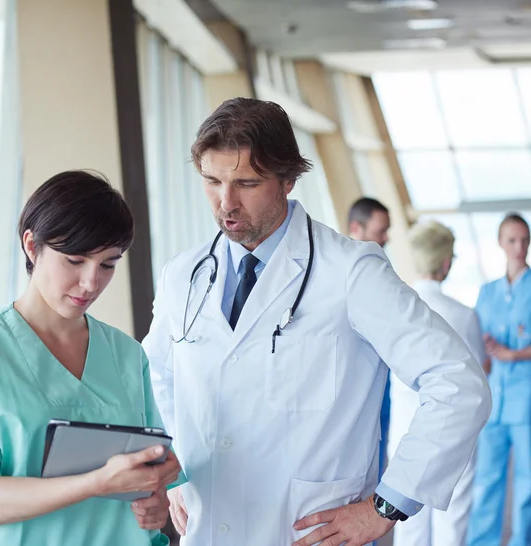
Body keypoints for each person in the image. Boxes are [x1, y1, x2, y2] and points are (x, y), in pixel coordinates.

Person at [143, 98, 491, 546]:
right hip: (209, 528)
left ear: (288, 180)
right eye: (212, 181)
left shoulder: (351, 272)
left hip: (311, 533)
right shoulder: (184, 276)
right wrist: (173, 472)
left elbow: (458, 382)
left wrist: (388, 504)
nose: (225, 203)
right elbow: (157, 381)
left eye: (246, 183)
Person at [0, 171, 181, 546]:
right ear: (32, 246)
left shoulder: (127, 354)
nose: (91, 283)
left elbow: (149, 483)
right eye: (75, 260)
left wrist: (155, 504)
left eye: (108, 264)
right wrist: (95, 483)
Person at [388, 220, 485, 546]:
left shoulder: (394, 308)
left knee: (405, 521)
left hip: (404, 428)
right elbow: (479, 372)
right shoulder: (464, 314)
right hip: (453, 431)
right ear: (445, 262)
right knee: (452, 519)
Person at [468, 213, 531, 546]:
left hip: (526, 404)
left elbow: (509, 349)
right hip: (494, 403)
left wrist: (514, 354)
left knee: (527, 482)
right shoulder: (487, 292)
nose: (519, 247)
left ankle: (522, 541)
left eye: (524, 240)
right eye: (512, 240)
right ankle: (483, 542)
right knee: (487, 479)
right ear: (500, 243)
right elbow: (479, 342)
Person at [348, 197, 392, 481]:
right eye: (380, 231)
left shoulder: (381, 270)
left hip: (381, 383)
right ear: (356, 228)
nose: (386, 238)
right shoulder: (338, 275)